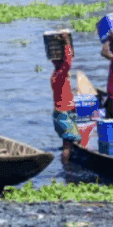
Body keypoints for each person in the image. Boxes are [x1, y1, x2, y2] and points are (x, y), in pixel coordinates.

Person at [49, 33, 77, 166]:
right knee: (67, 146)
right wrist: (66, 42)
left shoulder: (55, 74)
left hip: (61, 114)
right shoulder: (60, 74)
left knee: (68, 143)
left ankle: (67, 163)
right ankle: (66, 168)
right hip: (63, 114)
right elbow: (68, 61)